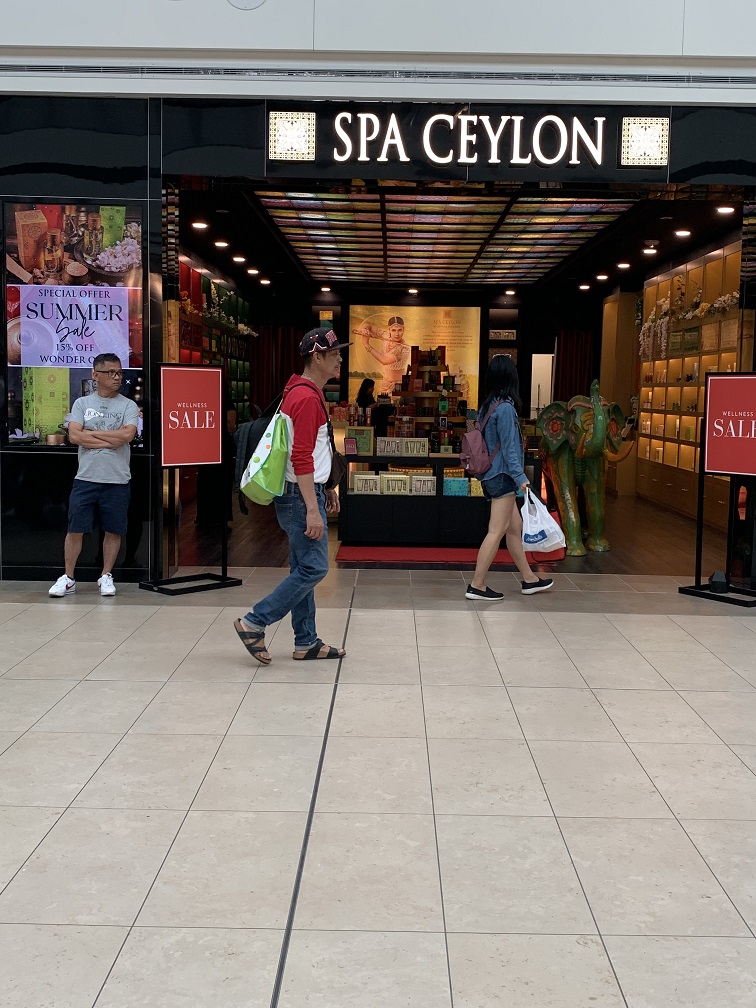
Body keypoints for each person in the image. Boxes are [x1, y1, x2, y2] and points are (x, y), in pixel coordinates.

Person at [234, 326, 349, 663]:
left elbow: (310, 450)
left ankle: (306, 641)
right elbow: (300, 457)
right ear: (317, 356)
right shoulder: (308, 398)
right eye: (334, 353)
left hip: (301, 492)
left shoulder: (300, 390)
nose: (340, 358)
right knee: (314, 568)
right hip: (300, 497)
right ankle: (254, 622)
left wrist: (326, 486)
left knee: (302, 566)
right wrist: (313, 508)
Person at [49, 353, 139, 597]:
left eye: (119, 373)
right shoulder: (82, 404)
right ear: (95, 375)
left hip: (117, 478)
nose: (116, 377)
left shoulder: (128, 405)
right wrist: (111, 438)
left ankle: (106, 575)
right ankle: (68, 578)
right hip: (86, 478)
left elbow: (127, 436)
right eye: (111, 372)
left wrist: (90, 434)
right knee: (75, 529)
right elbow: (74, 436)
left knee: (114, 530)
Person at [466, 354, 554, 600]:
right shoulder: (505, 409)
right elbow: (510, 449)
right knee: (496, 531)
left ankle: (529, 579)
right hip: (503, 475)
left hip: (492, 474)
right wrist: (521, 478)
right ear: (510, 378)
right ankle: (477, 585)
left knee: (514, 529)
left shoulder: (487, 406)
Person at [358, 315, 411, 394]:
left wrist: (367, 345)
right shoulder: (385, 336)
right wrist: (365, 329)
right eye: (393, 330)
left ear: (404, 330)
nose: (397, 334)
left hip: (397, 385)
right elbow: (368, 325)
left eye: (400, 330)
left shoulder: (404, 349)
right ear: (389, 330)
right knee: (382, 401)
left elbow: (384, 360)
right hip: (385, 383)